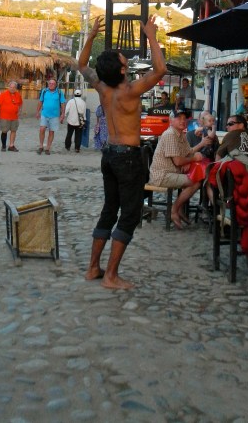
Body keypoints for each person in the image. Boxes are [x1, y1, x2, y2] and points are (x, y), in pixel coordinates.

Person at [79, 15, 166, 290]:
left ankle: (93, 268)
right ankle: (111, 276)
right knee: (129, 214)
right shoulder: (130, 90)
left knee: (109, 211)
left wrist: (91, 36)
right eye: (123, 61)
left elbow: (81, 64)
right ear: (119, 70)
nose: (126, 62)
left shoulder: (102, 88)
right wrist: (151, 35)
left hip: (109, 155)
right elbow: (160, 70)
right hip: (128, 157)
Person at [149, 108, 208, 229]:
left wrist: (200, 145)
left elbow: (188, 152)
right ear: (171, 121)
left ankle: (179, 209)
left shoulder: (181, 134)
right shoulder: (170, 134)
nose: (182, 120)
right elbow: (178, 161)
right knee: (195, 182)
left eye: (184, 118)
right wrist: (193, 159)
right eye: (178, 118)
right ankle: (174, 210)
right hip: (162, 175)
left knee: (195, 178)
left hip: (173, 172)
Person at [215, 113, 248, 181]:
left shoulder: (231, 134)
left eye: (230, 124)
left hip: (236, 173)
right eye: (227, 124)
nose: (227, 127)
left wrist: (217, 174)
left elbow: (219, 156)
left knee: (209, 177)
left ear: (241, 125)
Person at [36, 78, 65, 155]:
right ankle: (41, 146)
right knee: (42, 129)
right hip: (44, 114)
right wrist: (37, 111)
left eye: (53, 83)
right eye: (50, 83)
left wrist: (63, 114)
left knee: (51, 132)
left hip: (55, 116)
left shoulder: (59, 92)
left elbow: (62, 103)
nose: (51, 85)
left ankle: (48, 148)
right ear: (48, 84)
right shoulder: (44, 91)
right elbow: (40, 101)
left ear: (56, 85)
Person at [0, 80, 23, 152]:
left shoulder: (18, 95)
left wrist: (20, 111)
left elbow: (20, 103)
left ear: (16, 88)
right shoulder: (3, 94)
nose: (12, 88)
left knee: (14, 131)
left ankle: (11, 146)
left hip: (14, 117)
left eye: (14, 87)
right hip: (4, 117)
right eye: (11, 87)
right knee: (4, 131)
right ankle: (3, 146)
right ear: (8, 87)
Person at [64, 88, 86, 153]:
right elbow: (84, 113)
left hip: (71, 120)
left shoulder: (71, 101)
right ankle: (77, 148)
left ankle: (67, 146)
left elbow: (66, 110)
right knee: (78, 135)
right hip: (79, 122)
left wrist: (63, 116)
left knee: (69, 134)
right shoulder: (83, 102)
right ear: (81, 95)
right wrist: (84, 121)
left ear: (74, 94)